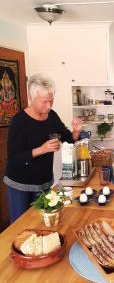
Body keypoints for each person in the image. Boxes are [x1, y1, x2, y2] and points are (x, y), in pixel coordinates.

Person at [4, 74, 82, 223]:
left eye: (51, 101)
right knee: (21, 225)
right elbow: (14, 158)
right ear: (31, 98)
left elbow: (67, 138)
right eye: (44, 102)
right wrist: (42, 149)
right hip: (20, 184)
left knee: (42, 223)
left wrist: (76, 131)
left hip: (44, 182)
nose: (49, 106)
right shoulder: (19, 121)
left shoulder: (51, 116)